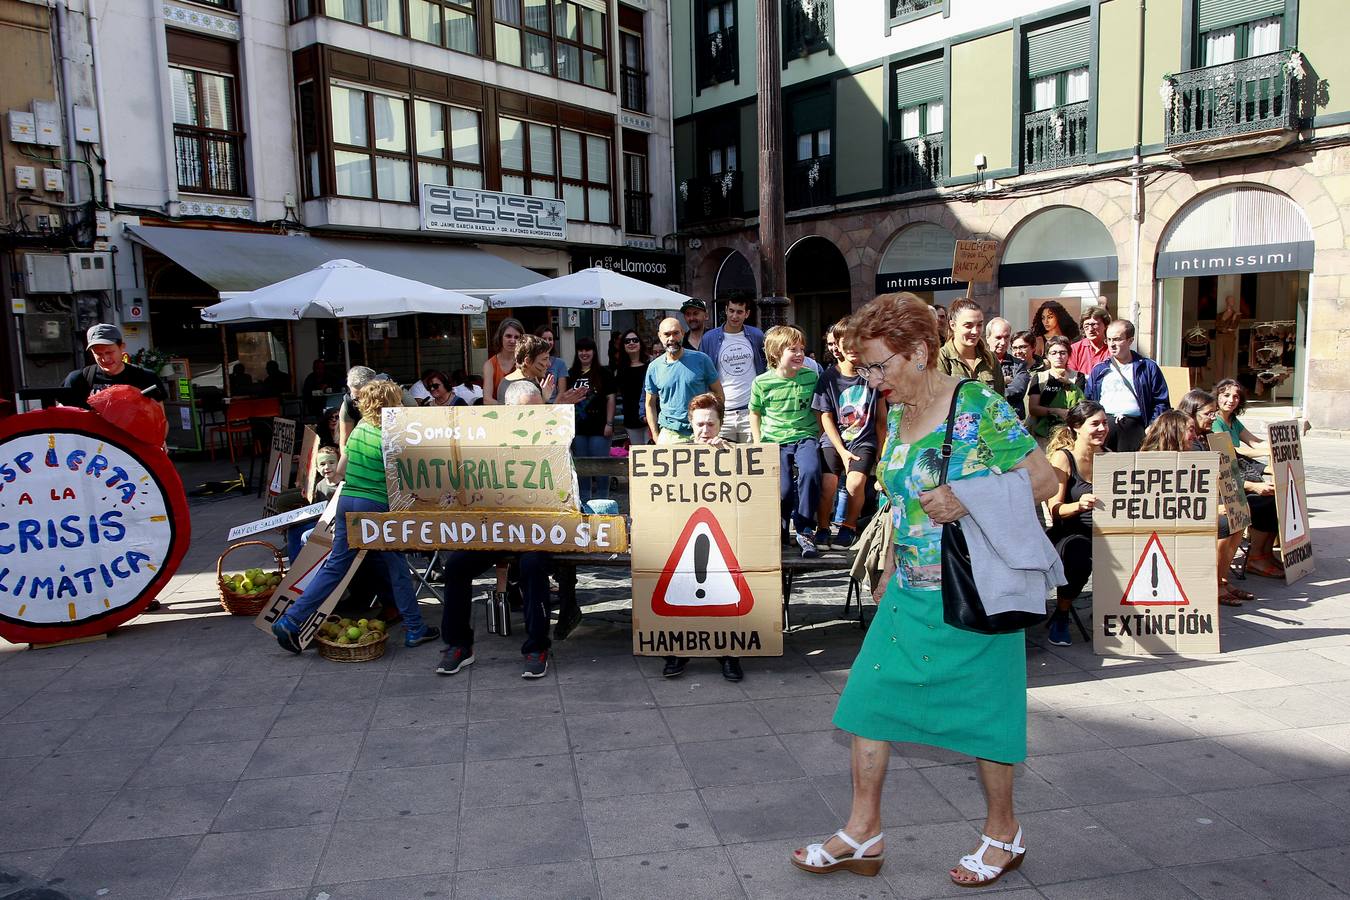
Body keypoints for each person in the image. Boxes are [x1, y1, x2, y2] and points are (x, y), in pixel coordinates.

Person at [792, 293, 1055, 886]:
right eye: (863, 369)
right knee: (867, 703)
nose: (871, 379)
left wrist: (967, 497)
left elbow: (1044, 479)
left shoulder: (975, 405)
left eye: (880, 365)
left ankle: (1004, 833)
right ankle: (864, 832)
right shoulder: (902, 415)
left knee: (989, 719)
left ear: (918, 351)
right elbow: (898, 501)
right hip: (908, 588)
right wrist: (886, 569)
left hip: (973, 593)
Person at [271, 379, 440, 654]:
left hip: (347, 500)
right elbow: (405, 478)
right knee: (397, 565)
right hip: (375, 504)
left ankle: (291, 620)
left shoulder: (360, 427)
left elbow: (342, 468)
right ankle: (414, 628)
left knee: (336, 566)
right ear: (389, 403)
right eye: (397, 400)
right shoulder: (392, 434)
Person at [435, 376, 563, 680]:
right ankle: (458, 645)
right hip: (494, 531)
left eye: (536, 410)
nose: (530, 418)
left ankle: (536, 647)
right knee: (455, 566)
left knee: (532, 565)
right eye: (523, 412)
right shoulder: (488, 443)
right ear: (506, 412)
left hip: (537, 532)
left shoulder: (554, 440)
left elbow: (565, 493)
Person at [662, 392, 744, 683]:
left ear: (720, 424)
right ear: (690, 423)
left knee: (724, 593)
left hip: (725, 541)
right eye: (699, 425)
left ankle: (729, 654)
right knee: (681, 592)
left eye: (710, 424)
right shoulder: (675, 456)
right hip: (685, 540)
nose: (704, 431)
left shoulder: (738, 455)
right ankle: (679, 650)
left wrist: (727, 456)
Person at [751, 326, 823, 558]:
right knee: (782, 491)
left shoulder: (811, 377)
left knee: (811, 473)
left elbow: (821, 409)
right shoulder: (762, 383)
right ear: (775, 353)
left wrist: (820, 435)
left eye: (802, 348)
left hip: (805, 436)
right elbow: (755, 412)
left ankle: (804, 530)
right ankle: (781, 531)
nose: (800, 354)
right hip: (775, 441)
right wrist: (758, 441)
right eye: (793, 349)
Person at [812, 319, 885, 550]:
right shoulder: (828, 377)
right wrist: (841, 450)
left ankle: (849, 526)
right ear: (838, 345)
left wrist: (882, 452)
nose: (853, 347)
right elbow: (825, 417)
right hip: (835, 440)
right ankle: (822, 527)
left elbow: (882, 418)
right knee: (827, 484)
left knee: (855, 484)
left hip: (863, 438)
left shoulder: (873, 375)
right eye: (846, 342)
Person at [1177, 389, 1253, 606]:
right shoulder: (1185, 439)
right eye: (1209, 414)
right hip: (1191, 504)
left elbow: (1226, 468)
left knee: (1240, 515)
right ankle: (1214, 584)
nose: (1213, 418)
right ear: (1192, 412)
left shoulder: (1208, 436)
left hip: (1211, 496)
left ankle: (1222, 578)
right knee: (1224, 522)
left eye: (1214, 413)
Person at [1044, 401, 1108, 646]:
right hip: (1070, 530)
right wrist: (1080, 505)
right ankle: (1061, 614)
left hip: (1105, 531)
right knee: (1079, 555)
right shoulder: (1063, 458)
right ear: (1077, 427)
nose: (1102, 428)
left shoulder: (1110, 457)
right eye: (1095, 424)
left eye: (1104, 423)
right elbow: (1055, 509)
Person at [1212, 378, 1282, 579]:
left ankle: (1264, 554)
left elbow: (1253, 441)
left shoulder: (1233, 420)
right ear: (1217, 396)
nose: (1231, 400)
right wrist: (1268, 454)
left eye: (1235, 396)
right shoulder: (1215, 421)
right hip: (1231, 474)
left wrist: (1279, 448)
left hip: (1241, 468)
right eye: (1226, 395)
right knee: (1264, 501)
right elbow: (1235, 450)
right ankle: (1256, 557)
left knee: (1278, 496)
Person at [63, 324, 168, 439]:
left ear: (122, 347)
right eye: (98, 354)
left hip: (133, 449)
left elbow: (160, 421)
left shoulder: (146, 378)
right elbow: (64, 417)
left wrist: (158, 444)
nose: (105, 359)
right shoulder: (78, 379)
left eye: (109, 352)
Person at [1084, 320, 1170, 452]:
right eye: (1109, 340)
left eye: (1117, 339)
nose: (1112, 344)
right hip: (1105, 429)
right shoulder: (1099, 370)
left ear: (1130, 341)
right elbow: (1089, 402)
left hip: (1137, 429)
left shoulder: (1147, 367)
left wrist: (1152, 426)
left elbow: (1161, 401)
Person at [644, 317, 723, 444]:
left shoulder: (702, 360)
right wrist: (655, 436)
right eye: (667, 334)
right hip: (669, 432)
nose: (671, 338)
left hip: (701, 431)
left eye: (676, 333)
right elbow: (649, 404)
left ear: (683, 333)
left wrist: (715, 426)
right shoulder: (654, 367)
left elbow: (719, 395)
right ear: (660, 336)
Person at [699, 297, 766, 443]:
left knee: (752, 459)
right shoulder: (709, 338)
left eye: (739, 312)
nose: (735, 316)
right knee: (723, 460)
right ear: (725, 311)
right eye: (731, 311)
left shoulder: (756, 336)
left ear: (746, 314)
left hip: (750, 411)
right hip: (722, 412)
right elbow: (702, 372)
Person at [568, 337, 616, 502]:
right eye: (581, 350)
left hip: (600, 428)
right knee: (582, 467)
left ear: (594, 352)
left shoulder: (605, 373)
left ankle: (604, 500)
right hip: (577, 428)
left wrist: (609, 423)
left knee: (601, 466)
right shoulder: (570, 374)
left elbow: (611, 399)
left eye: (587, 350)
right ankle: (585, 502)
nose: (584, 353)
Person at [937, 298, 1006, 395]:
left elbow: (1000, 400)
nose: (975, 331)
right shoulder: (941, 358)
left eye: (979, 325)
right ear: (953, 325)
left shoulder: (989, 358)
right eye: (968, 325)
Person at [1026, 336, 1086, 443]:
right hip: (1043, 434)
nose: (1058, 356)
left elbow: (1082, 406)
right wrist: (1056, 411)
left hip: (1070, 434)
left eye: (1063, 353)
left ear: (1069, 355)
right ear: (1047, 356)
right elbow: (1033, 408)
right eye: (1054, 353)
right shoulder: (1040, 378)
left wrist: (1068, 384)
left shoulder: (1078, 377)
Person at [986, 317, 1030, 419]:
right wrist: (1003, 381)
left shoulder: (1019, 365)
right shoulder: (979, 363)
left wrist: (989, 391)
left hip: (1012, 420)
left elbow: (1017, 391)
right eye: (998, 337)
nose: (1003, 342)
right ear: (988, 338)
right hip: (986, 420)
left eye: (1006, 337)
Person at [615, 329, 651, 445]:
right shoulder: (620, 369)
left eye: (635, 340)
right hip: (630, 418)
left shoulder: (650, 366)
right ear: (623, 346)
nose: (631, 343)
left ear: (640, 343)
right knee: (638, 453)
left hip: (649, 415)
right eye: (627, 341)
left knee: (650, 449)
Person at [482, 317, 524, 404]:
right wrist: (509, 409)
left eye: (516, 337)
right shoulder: (490, 365)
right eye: (508, 336)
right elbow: (487, 400)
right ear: (500, 337)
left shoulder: (525, 362)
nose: (512, 340)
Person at [338, 365, 377, 446]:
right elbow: (345, 444)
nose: (361, 403)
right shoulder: (348, 405)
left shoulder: (390, 397)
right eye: (356, 398)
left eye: (365, 397)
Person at [1068, 305, 1112, 376]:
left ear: (1105, 326)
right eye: (1086, 326)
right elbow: (1072, 376)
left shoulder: (1112, 347)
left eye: (1094, 324)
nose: (1090, 329)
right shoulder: (1075, 349)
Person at [533, 324, 570, 401]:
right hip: (535, 404)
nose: (547, 342)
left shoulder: (560, 363)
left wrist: (553, 408)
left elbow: (561, 391)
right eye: (544, 339)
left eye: (550, 339)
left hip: (553, 406)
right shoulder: (530, 362)